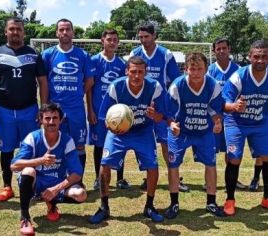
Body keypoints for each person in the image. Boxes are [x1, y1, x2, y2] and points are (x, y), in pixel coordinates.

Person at [89, 56, 166, 224]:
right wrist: (113, 126)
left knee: (153, 166)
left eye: (140, 72)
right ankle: (104, 206)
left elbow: (163, 115)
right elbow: (104, 116)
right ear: (126, 72)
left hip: (143, 130)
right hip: (119, 133)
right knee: (105, 164)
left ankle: (149, 206)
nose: (137, 76)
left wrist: (156, 115)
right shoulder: (116, 87)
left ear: (146, 72)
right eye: (133, 72)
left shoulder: (155, 87)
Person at [0, 17, 48, 202]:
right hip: (5, 111)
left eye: (18, 29)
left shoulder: (34, 54)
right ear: (6, 31)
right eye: (11, 29)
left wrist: (43, 108)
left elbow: (43, 82)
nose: (15, 32)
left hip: (30, 109)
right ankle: (7, 187)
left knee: (32, 148)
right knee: (6, 150)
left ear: (24, 32)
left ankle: (35, 186)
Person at [164, 52, 226, 219]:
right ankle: (174, 203)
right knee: (173, 165)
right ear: (186, 69)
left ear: (206, 69)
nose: (196, 72)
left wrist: (218, 122)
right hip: (181, 131)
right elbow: (168, 112)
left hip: (204, 131)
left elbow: (215, 110)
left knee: (211, 164)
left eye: (200, 69)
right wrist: (172, 124)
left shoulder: (213, 85)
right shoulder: (177, 86)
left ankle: (211, 202)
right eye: (192, 68)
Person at [10, 102, 87, 235]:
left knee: (81, 195)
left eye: (55, 118)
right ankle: (25, 218)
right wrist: (40, 160)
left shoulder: (67, 140)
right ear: (41, 120)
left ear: (61, 120)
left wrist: (56, 189)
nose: (51, 122)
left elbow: (77, 173)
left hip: (56, 184)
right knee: (28, 171)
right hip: (36, 184)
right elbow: (14, 165)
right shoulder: (33, 138)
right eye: (47, 118)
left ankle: (51, 204)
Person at [130, 22, 189, 192]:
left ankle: (175, 178)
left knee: (166, 143)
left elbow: (175, 80)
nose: (143, 40)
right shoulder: (135, 53)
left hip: (161, 106)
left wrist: (173, 103)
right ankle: (149, 176)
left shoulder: (165, 54)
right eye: (140, 37)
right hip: (140, 106)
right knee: (144, 142)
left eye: (146, 37)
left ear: (154, 35)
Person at [42, 18, 94, 181]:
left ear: (73, 32)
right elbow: (42, 81)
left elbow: (90, 81)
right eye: (61, 30)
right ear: (57, 33)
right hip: (54, 110)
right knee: (55, 144)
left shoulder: (83, 55)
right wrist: (43, 107)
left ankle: (78, 180)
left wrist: (78, 94)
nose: (65, 32)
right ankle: (55, 180)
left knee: (79, 146)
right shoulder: (48, 55)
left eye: (67, 29)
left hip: (76, 109)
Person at [222, 40, 268, 216]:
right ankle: (230, 200)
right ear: (250, 57)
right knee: (234, 159)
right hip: (237, 122)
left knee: (266, 157)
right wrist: (234, 106)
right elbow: (223, 103)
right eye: (256, 56)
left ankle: (266, 198)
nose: (260, 60)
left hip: (261, 122)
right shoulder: (239, 76)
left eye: (264, 56)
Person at [206, 37, 250, 191]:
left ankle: (232, 179)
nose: (222, 51)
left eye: (224, 48)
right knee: (211, 149)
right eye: (218, 49)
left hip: (232, 118)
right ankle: (209, 180)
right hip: (214, 117)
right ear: (214, 51)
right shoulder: (210, 70)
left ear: (229, 49)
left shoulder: (238, 69)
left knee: (231, 150)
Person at [87, 29, 128, 190]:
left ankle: (120, 178)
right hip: (99, 112)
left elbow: (124, 89)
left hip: (117, 113)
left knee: (120, 143)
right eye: (109, 39)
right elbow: (89, 88)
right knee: (99, 145)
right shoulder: (94, 61)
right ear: (102, 41)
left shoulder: (121, 64)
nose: (112, 42)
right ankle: (99, 178)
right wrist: (90, 110)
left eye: (115, 40)